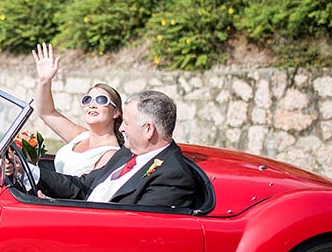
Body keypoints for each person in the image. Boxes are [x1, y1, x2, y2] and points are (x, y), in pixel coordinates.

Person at [13, 90, 197, 208]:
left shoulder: (172, 177)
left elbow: (132, 228)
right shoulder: (127, 153)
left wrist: (62, 211)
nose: (121, 129)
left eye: (126, 123)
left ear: (148, 129)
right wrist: (28, 171)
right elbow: (84, 186)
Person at [32, 43, 122, 176]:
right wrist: (44, 80)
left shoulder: (111, 154)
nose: (92, 105)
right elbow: (47, 112)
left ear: (116, 112)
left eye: (101, 100)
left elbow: (85, 188)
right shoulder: (81, 136)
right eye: (87, 100)